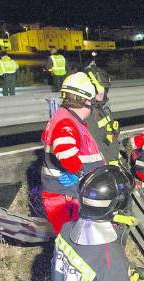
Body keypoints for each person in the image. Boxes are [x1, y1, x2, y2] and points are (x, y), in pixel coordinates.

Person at [40, 72, 104, 234]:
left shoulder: (66, 117)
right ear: (86, 100)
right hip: (65, 196)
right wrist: (80, 174)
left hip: (68, 193)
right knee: (71, 241)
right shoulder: (66, 122)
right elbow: (66, 154)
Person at [84, 65, 120, 163]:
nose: (103, 92)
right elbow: (95, 147)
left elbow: (110, 135)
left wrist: (114, 131)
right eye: (101, 88)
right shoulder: (88, 113)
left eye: (105, 89)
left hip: (113, 157)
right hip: (104, 163)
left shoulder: (103, 107)